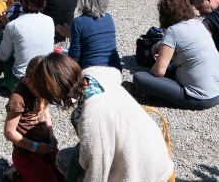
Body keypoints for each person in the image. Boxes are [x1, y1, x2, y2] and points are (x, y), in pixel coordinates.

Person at [29, 54, 174, 182]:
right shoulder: (92, 73)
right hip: (154, 147)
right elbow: (116, 74)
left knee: (66, 162)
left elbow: (98, 171)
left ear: (55, 91)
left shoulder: (93, 117)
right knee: (64, 158)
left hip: (141, 173)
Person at [131, 0, 219, 110]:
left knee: (139, 77)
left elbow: (159, 72)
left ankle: (143, 92)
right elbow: (189, 57)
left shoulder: (172, 31)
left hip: (199, 98)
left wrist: (154, 68)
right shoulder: (198, 24)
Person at [4, 55, 62, 182]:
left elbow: (44, 108)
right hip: (27, 155)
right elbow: (9, 132)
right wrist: (35, 147)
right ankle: (17, 175)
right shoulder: (18, 99)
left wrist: (50, 132)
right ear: (29, 82)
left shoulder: (40, 86)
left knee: (65, 175)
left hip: (45, 146)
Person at [0, 0, 55, 91]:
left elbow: (3, 57)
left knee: (5, 41)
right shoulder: (49, 21)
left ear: (22, 1)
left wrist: (6, 29)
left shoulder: (13, 25)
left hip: (20, 83)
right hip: (44, 80)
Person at [56, 0, 122, 70]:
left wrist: (71, 37)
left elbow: (74, 59)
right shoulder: (108, 17)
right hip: (115, 69)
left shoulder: (78, 22)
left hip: (92, 74)